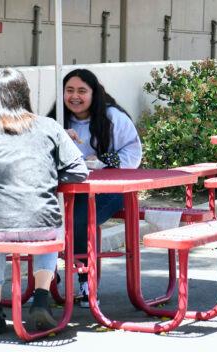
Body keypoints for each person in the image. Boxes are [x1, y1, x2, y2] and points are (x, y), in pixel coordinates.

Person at [0, 68, 88, 334]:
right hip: (40, 225)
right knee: (49, 220)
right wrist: (49, 173)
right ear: (25, 94)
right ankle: (42, 299)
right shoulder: (49, 126)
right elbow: (80, 171)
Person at [48, 68, 142, 308]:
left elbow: (133, 154)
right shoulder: (55, 121)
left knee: (79, 220)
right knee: (40, 216)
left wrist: (102, 162)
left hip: (110, 190)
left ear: (94, 93)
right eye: (69, 90)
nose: (75, 96)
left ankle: (85, 281)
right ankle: (46, 273)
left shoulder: (113, 118)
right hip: (67, 191)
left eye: (82, 91)